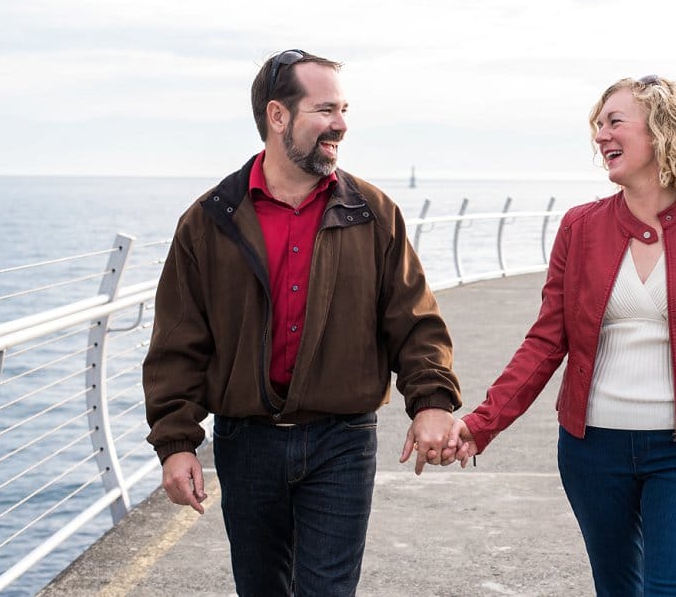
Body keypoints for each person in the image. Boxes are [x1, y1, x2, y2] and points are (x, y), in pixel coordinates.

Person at [143, 49, 461, 596]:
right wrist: (176, 444)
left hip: (343, 439)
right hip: (246, 445)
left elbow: (413, 320)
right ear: (278, 115)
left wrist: (431, 402)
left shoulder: (373, 212)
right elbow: (179, 342)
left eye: (343, 109)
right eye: (325, 109)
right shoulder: (208, 220)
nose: (341, 124)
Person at [448, 75, 676, 596]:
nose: (600, 136)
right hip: (592, 450)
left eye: (615, 121)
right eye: (598, 125)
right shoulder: (580, 226)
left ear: (663, 130)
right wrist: (483, 424)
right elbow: (546, 342)